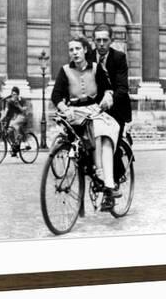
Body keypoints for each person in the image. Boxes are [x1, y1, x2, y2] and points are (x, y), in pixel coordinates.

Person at [51, 35, 121, 211]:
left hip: (94, 110)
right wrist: (64, 108)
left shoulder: (96, 68)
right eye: (71, 50)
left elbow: (107, 89)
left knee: (105, 134)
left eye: (77, 49)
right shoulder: (65, 70)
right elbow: (56, 95)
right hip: (74, 112)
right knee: (89, 131)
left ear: (85, 50)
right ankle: (99, 175)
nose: (74, 53)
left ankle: (108, 182)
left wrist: (107, 98)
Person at [88, 24, 132, 181]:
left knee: (110, 145)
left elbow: (122, 87)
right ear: (93, 40)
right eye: (98, 40)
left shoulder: (119, 58)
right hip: (96, 107)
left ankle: (112, 185)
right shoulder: (88, 57)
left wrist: (110, 97)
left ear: (111, 41)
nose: (101, 43)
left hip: (117, 107)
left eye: (104, 40)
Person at [0, 86, 28, 157]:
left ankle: (19, 140)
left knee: (14, 124)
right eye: (12, 94)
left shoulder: (22, 100)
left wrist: (18, 105)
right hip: (14, 118)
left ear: (18, 94)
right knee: (9, 132)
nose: (14, 96)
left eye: (15, 94)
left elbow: (24, 110)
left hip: (22, 116)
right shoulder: (9, 102)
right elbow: (6, 112)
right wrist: (0, 120)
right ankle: (14, 148)